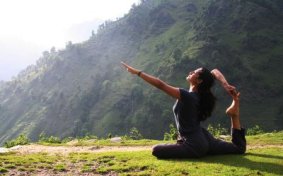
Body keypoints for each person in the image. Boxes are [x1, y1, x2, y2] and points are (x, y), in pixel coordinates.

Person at [121, 62, 246, 158]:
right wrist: (225, 84)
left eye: (194, 73)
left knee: (156, 150)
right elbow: (214, 71)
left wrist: (138, 73)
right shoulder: (198, 96)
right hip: (204, 138)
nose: (191, 72)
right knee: (238, 148)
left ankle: (234, 113)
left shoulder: (188, 96)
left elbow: (160, 85)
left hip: (194, 144)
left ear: (199, 81)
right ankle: (234, 115)